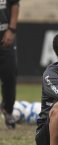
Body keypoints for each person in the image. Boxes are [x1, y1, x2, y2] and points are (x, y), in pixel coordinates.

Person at [0, 0, 20, 129]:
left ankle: (8, 110)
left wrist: (11, 29)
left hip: (4, 35)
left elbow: (15, 4)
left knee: (9, 75)